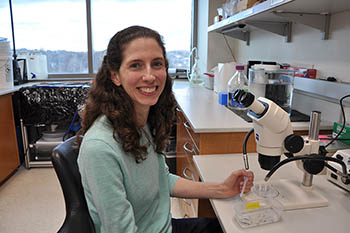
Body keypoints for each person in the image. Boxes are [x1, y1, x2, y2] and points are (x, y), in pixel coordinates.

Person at [77, 25, 254, 233]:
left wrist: (221, 188)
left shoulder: (140, 121)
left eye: (157, 64)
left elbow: (161, 180)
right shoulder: (100, 148)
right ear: (115, 76)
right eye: (136, 65)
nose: (150, 76)